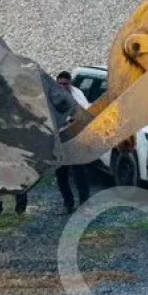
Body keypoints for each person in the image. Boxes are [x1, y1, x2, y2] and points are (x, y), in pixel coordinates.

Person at [55, 70, 90, 213]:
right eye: (60, 84)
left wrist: (75, 119)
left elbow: (85, 111)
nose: (63, 86)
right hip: (60, 140)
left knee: (79, 174)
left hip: (75, 140)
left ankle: (84, 204)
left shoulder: (77, 94)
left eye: (65, 84)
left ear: (70, 83)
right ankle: (68, 204)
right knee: (61, 175)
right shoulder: (52, 95)